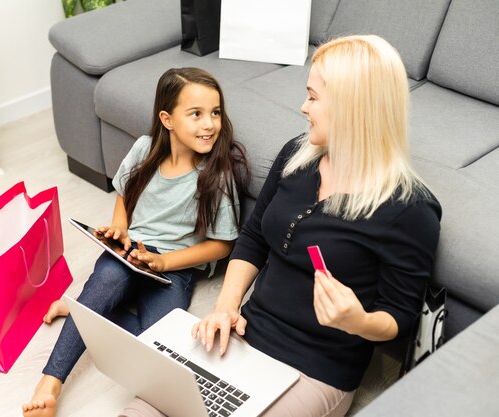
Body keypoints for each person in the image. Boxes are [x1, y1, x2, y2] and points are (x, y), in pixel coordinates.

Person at [120, 35, 442, 417]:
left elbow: (400, 318)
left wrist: (359, 321)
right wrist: (225, 307)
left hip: (317, 369)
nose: (303, 107)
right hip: (247, 332)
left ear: (353, 107)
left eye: (314, 97)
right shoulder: (297, 155)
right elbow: (254, 237)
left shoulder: (411, 209)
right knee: (148, 404)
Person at [22, 67, 249, 417]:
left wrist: (164, 263)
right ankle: (50, 382)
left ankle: (85, 307)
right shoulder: (145, 148)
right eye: (196, 114)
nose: (209, 124)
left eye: (215, 113)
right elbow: (124, 195)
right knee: (109, 279)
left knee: (155, 342)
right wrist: (119, 230)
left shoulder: (217, 174)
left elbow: (223, 245)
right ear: (167, 119)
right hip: (129, 253)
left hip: (175, 268)